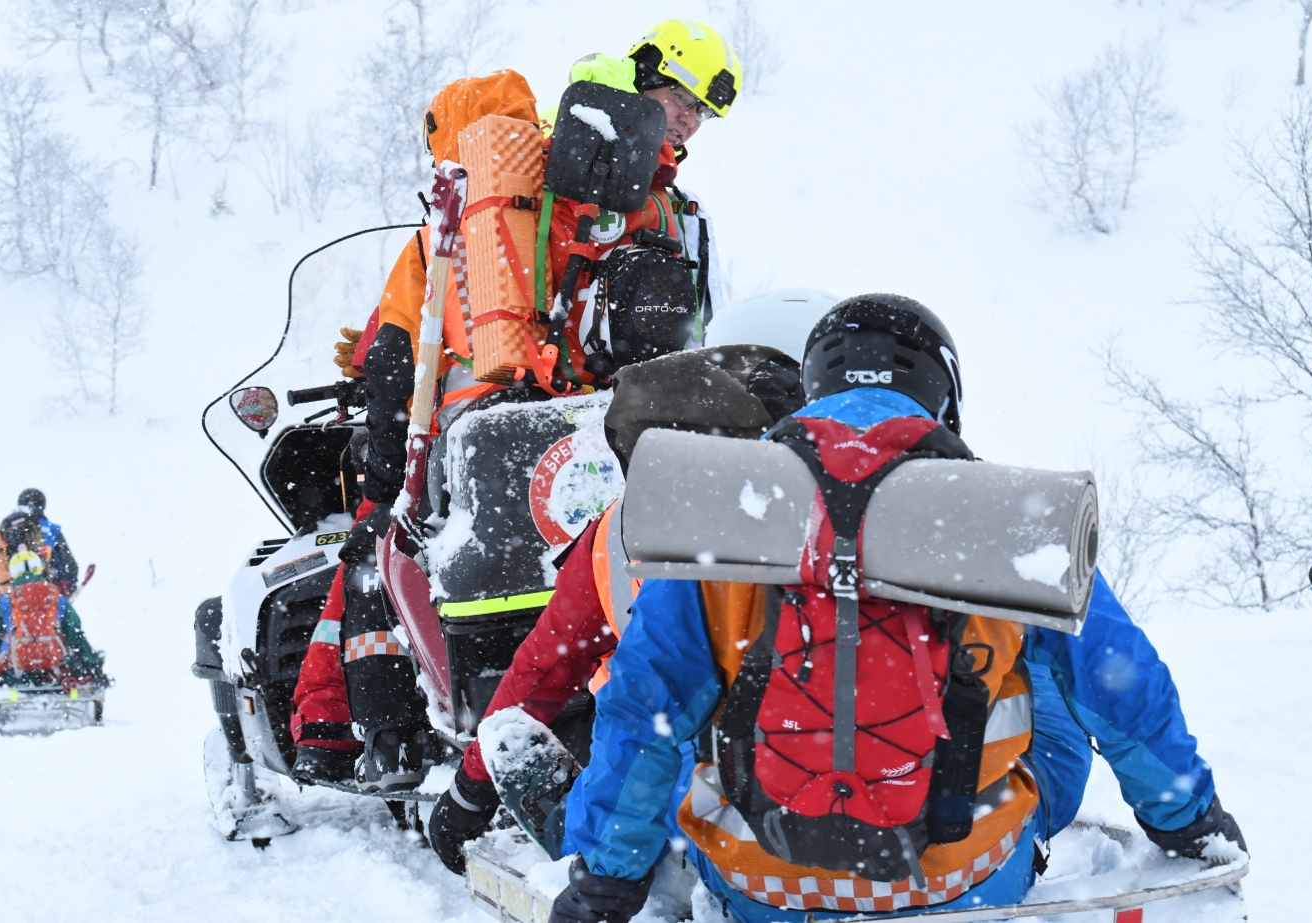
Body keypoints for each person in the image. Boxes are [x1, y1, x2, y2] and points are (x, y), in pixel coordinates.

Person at [546, 296, 1248, 923]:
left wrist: (604, 883)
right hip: (963, 883)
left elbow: (645, 708)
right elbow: (1125, 687)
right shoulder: (1000, 514)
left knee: (687, 718)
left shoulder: (733, 511)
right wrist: (1190, 822)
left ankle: (600, 832)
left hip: (760, 887)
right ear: (942, 396)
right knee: (1058, 676)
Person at [290, 19, 742, 789]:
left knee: (378, 551)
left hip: (489, 429)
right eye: (681, 101)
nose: (689, 121)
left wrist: (382, 454)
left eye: (700, 112)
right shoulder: (642, 205)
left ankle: (351, 733)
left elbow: (399, 349)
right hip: (600, 422)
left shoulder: (487, 209)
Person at [425, 344, 804, 873]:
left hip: (711, 813)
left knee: (622, 759)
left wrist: (472, 788)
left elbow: (549, 668)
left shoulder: (621, 536)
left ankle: (574, 833)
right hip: (889, 794)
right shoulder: (868, 518)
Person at [0, 510, 104, 688]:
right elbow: (76, 635)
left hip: (17, 665)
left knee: (4, 656)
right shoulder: (55, 596)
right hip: (53, 662)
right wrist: (94, 668)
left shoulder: (6, 599)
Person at [0, 488, 79, 624]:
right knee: (69, 633)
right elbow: (70, 567)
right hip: (48, 594)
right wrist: (67, 595)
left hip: (11, 598)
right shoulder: (52, 530)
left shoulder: (7, 531)